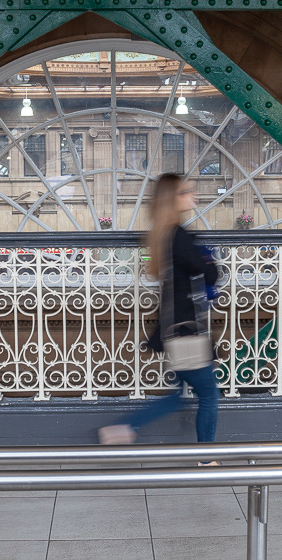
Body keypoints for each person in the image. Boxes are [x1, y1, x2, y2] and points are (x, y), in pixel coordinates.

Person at [98, 174, 220, 457]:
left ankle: (123, 428)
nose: (193, 196)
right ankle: (205, 460)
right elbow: (211, 273)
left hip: (174, 329)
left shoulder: (165, 235)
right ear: (172, 199)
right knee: (209, 396)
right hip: (188, 329)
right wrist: (207, 256)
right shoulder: (181, 236)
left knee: (178, 396)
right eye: (186, 191)